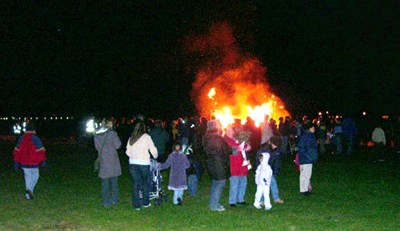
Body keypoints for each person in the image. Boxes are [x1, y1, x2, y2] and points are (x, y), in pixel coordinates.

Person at [126, 121, 158, 210]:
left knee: (136, 184)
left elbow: (127, 152)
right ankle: (145, 202)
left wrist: (133, 157)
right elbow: (152, 148)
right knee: (145, 183)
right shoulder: (146, 137)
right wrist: (155, 156)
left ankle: (136, 205)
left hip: (133, 163)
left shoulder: (131, 138)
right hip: (144, 163)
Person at [202, 119, 231, 212]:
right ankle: (214, 206)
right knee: (220, 184)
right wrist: (232, 150)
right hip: (218, 163)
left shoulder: (206, 136)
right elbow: (224, 150)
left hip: (211, 162)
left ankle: (214, 203)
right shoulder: (217, 138)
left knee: (215, 183)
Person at [13, 122, 46, 200]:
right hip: (34, 161)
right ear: (33, 130)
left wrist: (16, 162)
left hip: (23, 161)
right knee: (35, 176)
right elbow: (41, 150)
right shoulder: (35, 138)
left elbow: (16, 151)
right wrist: (43, 160)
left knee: (27, 176)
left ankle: (29, 191)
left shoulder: (21, 138)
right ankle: (30, 190)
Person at [94, 120, 122, 207]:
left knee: (105, 183)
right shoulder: (112, 134)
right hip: (113, 161)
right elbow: (118, 145)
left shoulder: (96, 135)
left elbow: (97, 148)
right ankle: (114, 199)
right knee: (114, 182)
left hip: (104, 160)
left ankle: (106, 202)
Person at [225, 126, 251, 207]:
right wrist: (242, 148)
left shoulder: (238, 139)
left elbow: (245, 146)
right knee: (234, 183)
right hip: (234, 165)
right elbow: (233, 151)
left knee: (243, 182)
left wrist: (247, 147)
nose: (229, 132)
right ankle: (232, 201)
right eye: (227, 131)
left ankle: (240, 199)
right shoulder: (226, 141)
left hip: (242, 165)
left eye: (230, 131)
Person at [298, 122, 318, 196]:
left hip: (309, 158)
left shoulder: (310, 135)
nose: (314, 129)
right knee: (304, 174)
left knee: (308, 174)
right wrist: (307, 156)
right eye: (313, 127)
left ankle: (305, 189)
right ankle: (303, 190)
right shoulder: (306, 136)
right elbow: (302, 147)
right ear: (309, 128)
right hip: (306, 158)